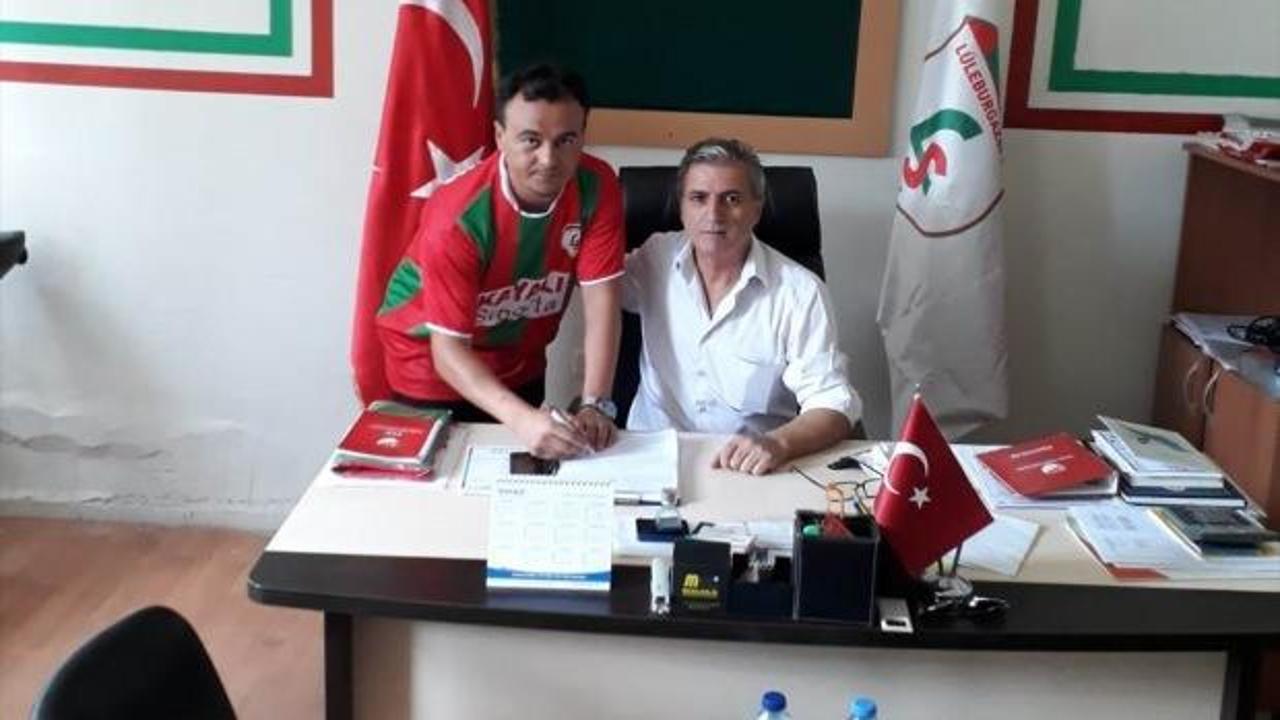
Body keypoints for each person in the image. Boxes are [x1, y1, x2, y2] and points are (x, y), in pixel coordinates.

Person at [376, 64, 624, 459]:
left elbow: (602, 301)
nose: (549, 159)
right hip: (429, 363)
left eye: (566, 140)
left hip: (519, 359)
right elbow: (447, 351)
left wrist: (595, 402)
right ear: (499, 137)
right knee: (443, 478)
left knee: (521, 476)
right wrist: (521, 419)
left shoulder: (599, 186)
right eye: (531, 140)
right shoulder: (457, 216)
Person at [622, 138, 861, 475]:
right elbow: (588, 276)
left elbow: (832, 403)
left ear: (756, 209)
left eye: (731, 199)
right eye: (698, 198)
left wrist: (779, 443)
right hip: (651, 457)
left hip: (748, 467)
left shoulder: (799, 292)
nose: (713, 214)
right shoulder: (655, 258)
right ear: (681, 207)